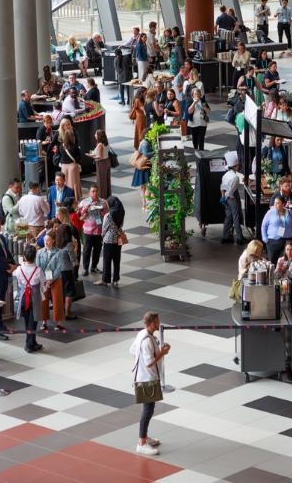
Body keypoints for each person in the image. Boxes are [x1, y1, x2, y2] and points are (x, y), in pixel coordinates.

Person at [130, 312, 169, 456]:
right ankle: (141, 443)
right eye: (157, 321)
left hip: (144, 377)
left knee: (149, 408)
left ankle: (145, 437)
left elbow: (132, 350)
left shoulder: (142, 333)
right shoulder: (147, 340)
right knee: (148, 409)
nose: (159, 324)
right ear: (152, 323)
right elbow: (149, 363)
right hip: (147, 379)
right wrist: (162, 353)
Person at [12, 246, 44, 353]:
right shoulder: (38, 270)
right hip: (35, 297)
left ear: (24, 257)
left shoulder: (20, 269)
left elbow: (15, 276)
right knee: (34, 320)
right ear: (35, 257)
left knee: (27, 320)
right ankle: (29, 344)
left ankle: (31, 341)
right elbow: (42, 284)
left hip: (24, 297)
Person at [35, 231, 67, 333]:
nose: (46, 242)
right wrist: (44, 279)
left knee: (57, 300)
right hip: (43, 279)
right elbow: (38, 266)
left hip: (56, 279)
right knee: (43, 301)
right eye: (45, 240)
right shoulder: (39, 252)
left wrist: (50, 280)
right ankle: (44, 322)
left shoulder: (59, 252)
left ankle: (59, 323)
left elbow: (59, 268)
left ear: (53, 240)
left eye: (48, 240)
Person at [55, 207, 81, 320]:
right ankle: (68, 312)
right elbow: (73, 257)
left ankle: (60, 310)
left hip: (58, 269)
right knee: (70, 291)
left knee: (61, 290)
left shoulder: (58, 243)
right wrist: (76, 261)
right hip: (67, 269)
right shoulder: (68, 244)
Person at [78, 186, 108, 278]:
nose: (95, 193)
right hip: (88, 230)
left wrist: (103, 210)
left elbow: (107, 214)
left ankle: (94, 266)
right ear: (89, 193)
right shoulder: (84, 202)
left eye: (96, 191)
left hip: (99, 230)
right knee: (87, 250)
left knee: (97, 250)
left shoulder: (103, 202)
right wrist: (85, 209)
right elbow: (79, 215)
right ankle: (86, 268)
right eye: (93, 191)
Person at [261, 196, 292, 264]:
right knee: (273, 261)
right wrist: (265, 239)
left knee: (285, 261)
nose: (275, 205)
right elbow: (264, 226)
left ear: (283, 204)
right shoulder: (270, 212)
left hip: (288, 240)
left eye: (277, 203)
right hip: (273, 241)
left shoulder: (290, 212)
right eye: (274, 203)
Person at [98, 195, 126, 287]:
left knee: (107, 260)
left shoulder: (108, 215)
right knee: (116, 260)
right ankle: (115, 280)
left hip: (109, 240)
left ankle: (105, 280)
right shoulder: (122, 212)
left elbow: (104, 229)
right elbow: (121, 225)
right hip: (118, 240)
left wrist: (102, 236)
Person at [220, 152, 245, 244]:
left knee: (229, 217)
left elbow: (222, 187)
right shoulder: (235, 177)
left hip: (225, 198)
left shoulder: (225, 175)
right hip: (231, 198)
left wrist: (223, 197)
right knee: (236, 217)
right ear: (236, 166)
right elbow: (231, 191)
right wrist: (227, 197)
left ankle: (225, 236)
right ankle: (239, 238)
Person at [131, 135, 154, 202]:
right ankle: (146, 203)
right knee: (146, 186)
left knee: (143, 187)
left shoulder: (144, 142)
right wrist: (155, 152)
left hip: (142, 166)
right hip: (144, 166)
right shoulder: (145, 143)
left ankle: (145, 203)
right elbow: (145, 154)